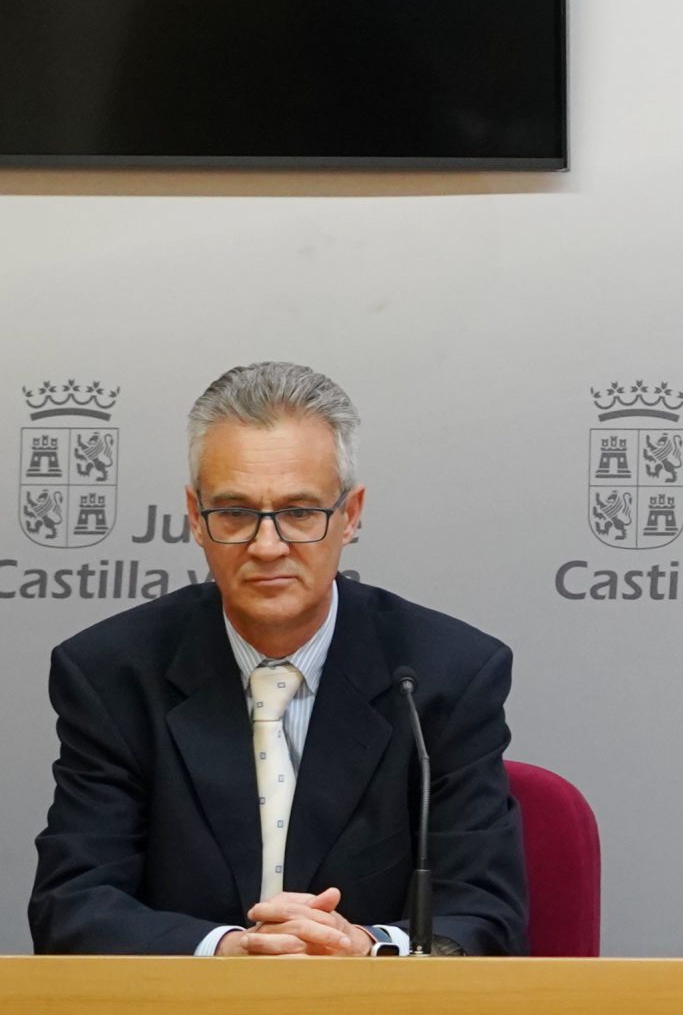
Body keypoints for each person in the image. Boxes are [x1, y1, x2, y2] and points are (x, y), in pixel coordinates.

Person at [29, 362, 527, 955]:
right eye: (235, 513)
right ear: (195, 516)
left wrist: (368, 949)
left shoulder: (446, 675)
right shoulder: (112, 674)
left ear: (350, 515)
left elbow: (484, 913)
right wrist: (224, 950)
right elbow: (74, 905)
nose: (268, 547)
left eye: (299, 512)